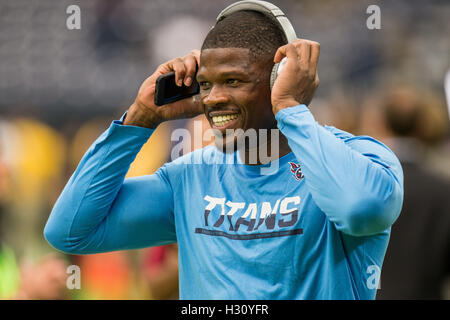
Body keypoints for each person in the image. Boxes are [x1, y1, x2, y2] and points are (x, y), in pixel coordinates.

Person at [44, 2, 403, 299]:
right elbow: (70, 231)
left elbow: (360, 210)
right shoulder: (188, 177)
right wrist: (141, 117)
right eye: (205, 84)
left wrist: (291, 109)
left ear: (281, 77)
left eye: (233, 80)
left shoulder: (359, 158)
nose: (213, 98)